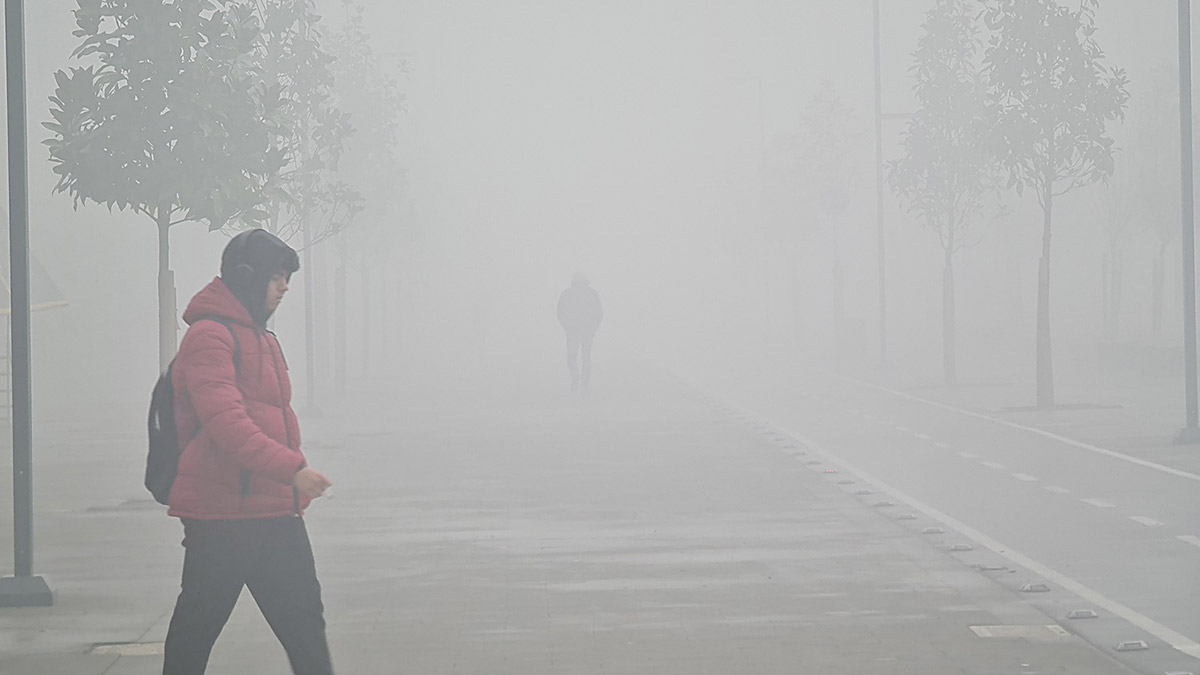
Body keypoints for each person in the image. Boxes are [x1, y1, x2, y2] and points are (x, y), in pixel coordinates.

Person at [162, 229, 334, 675]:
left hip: (274, 510)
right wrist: (292, 469)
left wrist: (288, 481)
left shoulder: (259, 336)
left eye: (286, 278)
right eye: (276, 277)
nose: (284, 287)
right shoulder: (210, 337)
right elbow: (227, 424)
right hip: (221, 517)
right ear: (246, 277)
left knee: (305, 629)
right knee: (196, 633)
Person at [556, 272, 604, 392]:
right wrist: (593, 328)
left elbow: (560, 312)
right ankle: (584, 383)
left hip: (572, 331)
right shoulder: (592, 294)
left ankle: (575, 374)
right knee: (586, 357)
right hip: (587, 331)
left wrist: (566, 326)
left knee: (572, 356)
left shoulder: (567, 294)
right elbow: (599, 313)